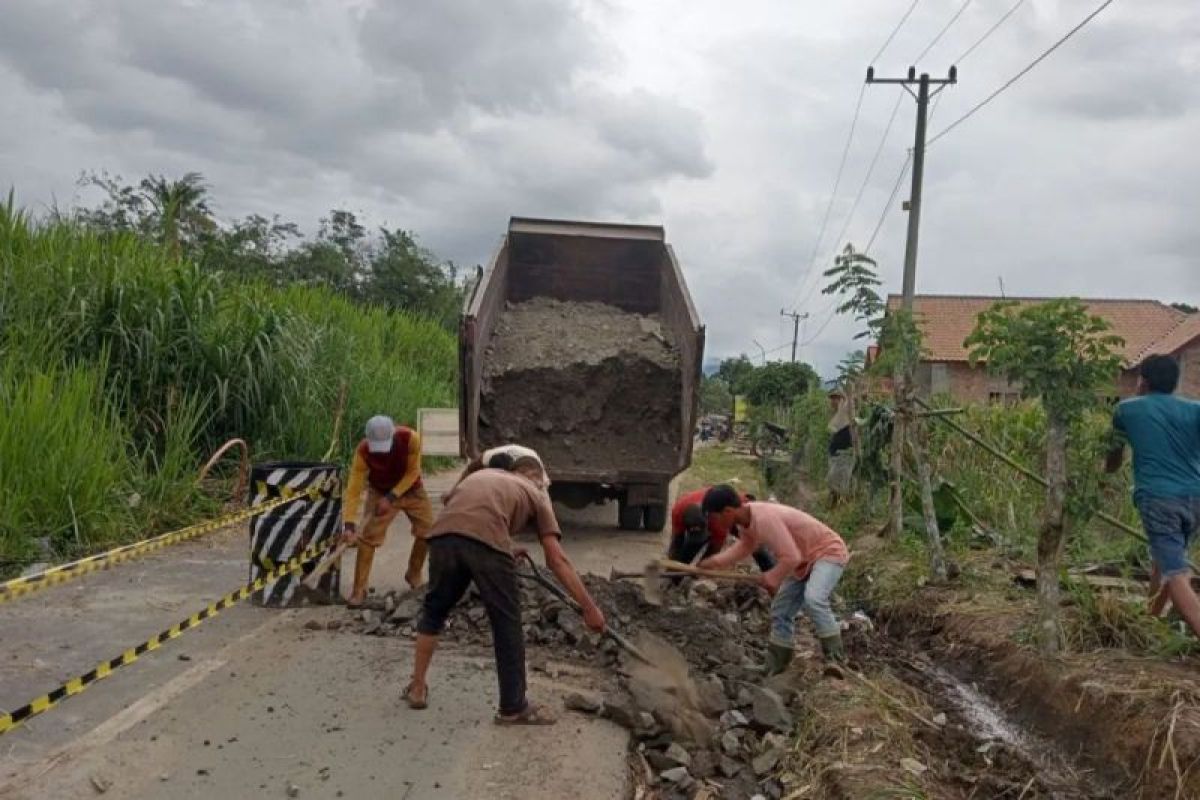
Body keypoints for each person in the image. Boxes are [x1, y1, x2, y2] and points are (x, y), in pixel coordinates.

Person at [404, 456, 605, 724]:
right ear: (536, 476)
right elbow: (556, 559)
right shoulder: (536, 492)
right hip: (486, 544)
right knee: (506, 623)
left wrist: (506, 546)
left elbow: (467, 514)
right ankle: (513, 707)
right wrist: (590, 608)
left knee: (434, 611)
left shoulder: (478, 477)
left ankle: (417, 688)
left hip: (442, 537)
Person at [698, 485, 850, 674]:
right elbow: (745, 546)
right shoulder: (746, 520)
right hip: (805, 561)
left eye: (715, 517)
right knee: (781, 609)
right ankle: (775, 664)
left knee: (814, 599)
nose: (715, 523)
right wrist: (715, 561)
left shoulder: (763, 519)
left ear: (728, 511)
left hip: (828, 553)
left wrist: (773, 576)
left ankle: (835, 658)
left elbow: (791, 556)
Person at [1106, 354, 1200, 638]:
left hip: (1159, 500)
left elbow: (1113, 462)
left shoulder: (1126, 411)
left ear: (1143, 381)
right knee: (1165, 559)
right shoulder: (1195, 409)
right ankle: (1151, 618)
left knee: (1175, 573)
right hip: (1196, 498)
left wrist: (1106, 474)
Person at [341, 415, 434, 607]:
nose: (381, 452)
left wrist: (391, 498)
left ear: (393, 435)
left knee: (428, 532)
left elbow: (413, 472)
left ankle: (413, 573)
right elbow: (354, 489)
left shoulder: (410, 439)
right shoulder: (363, 451)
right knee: (367, 539)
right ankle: (359, 589)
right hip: (379, 490)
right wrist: (349, 524)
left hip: (412, 490)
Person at [668, 486, 775, 573]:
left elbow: (715, 549)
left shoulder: (718, 520)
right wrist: (673, 566)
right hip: (720, 507)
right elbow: (676, 542)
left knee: (754, 542)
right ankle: (675, 577)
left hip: (737, 510)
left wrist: (701, 569)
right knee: (690, 547)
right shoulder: (678, 512)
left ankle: (771, 571)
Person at [826, 391, 855, 505]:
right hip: (835, 455)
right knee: (834, 480)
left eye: (836, 398)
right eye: (832, 398)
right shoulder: (836, 415)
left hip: (843, 454)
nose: (833, 401)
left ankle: (841, 503)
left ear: (842, 399)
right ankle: (835, 501)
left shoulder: (845, 411)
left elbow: (852, 399)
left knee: (837, 479)